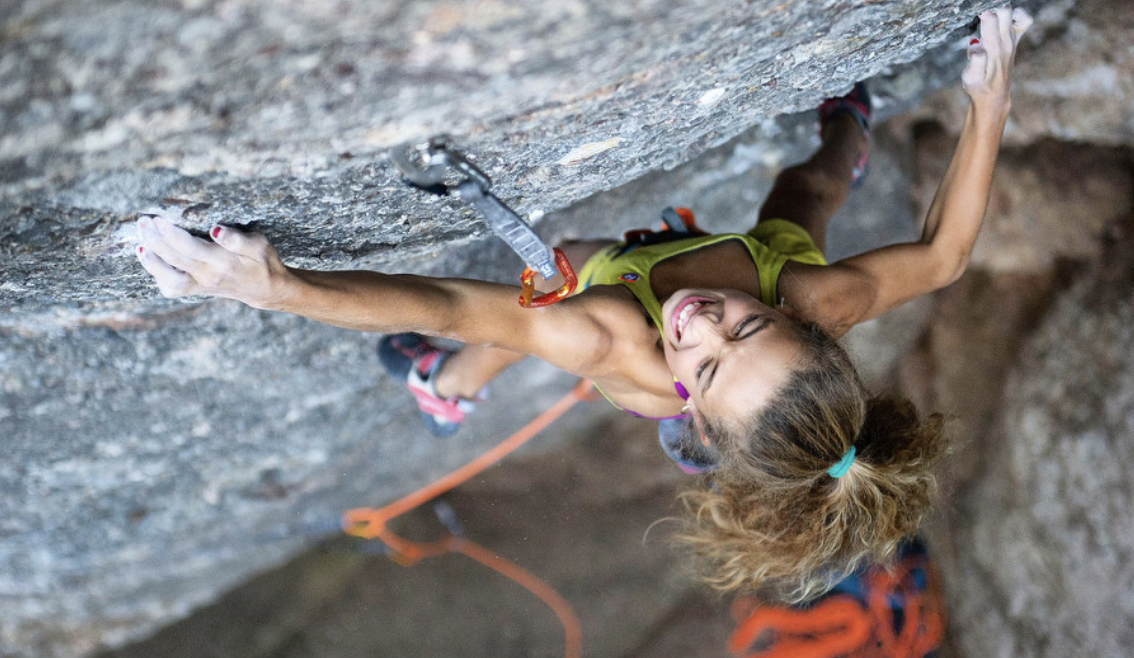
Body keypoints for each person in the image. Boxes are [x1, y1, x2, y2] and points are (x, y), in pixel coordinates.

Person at [136, 7, 1031, 603]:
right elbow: (945, 256)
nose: (705, 322)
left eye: (710, 364)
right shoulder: (811, 293)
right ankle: (849, 131)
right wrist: (989, 98)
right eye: (748, 324)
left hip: (620, 291)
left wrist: (277, 286)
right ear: (806, 322)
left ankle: (445, 389)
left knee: (559, 277)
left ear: (699, 416)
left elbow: (458, 302)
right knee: (807, 196)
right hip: (761, 266)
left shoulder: (623, 345)